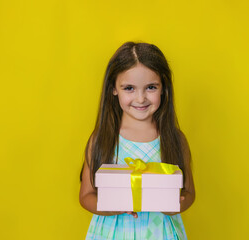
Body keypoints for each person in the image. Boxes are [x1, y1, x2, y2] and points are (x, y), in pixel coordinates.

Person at [79, 41, 195, 240]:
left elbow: (189, 193)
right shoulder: (101, 139)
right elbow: (86, 195)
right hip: (112, 233)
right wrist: (112, 206)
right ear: (114, 89)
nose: (140, 99)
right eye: (129, 88)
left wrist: (176, 205)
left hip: (160, 233)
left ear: (163, 88)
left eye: (150, 87)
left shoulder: (175, 139)